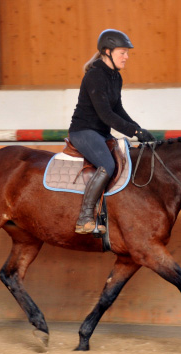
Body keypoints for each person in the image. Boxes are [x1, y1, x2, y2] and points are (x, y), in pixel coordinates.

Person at [68, 29, 156, 235]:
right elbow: (106, 114)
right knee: (107, 164)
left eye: (127, 53)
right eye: (122, 53)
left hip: (100, 133)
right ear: (107, 52)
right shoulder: (95, 76)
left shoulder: (115, 77)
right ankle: (84, 218)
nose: (126, 57)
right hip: (84, 131)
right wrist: (133, 130)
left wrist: (139, 129)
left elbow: (118, 110)